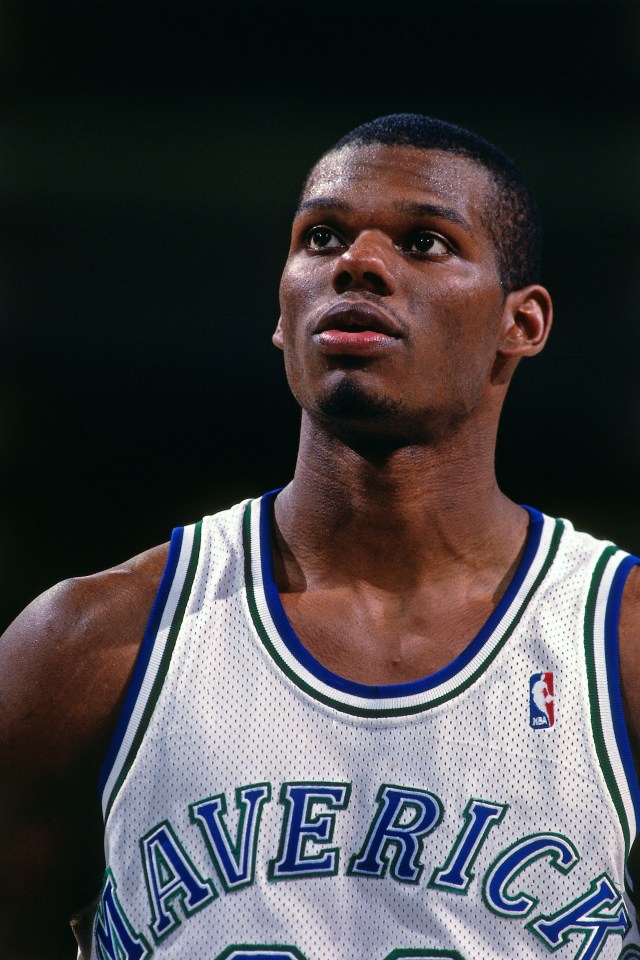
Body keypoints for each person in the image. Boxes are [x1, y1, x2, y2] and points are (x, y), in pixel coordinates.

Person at [2, 113, 639, 960]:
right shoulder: (85, 646)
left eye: (424, 242)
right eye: (323, 237)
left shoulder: (620, 646)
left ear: (520, 323)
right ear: (282, 311)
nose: (357, 263)